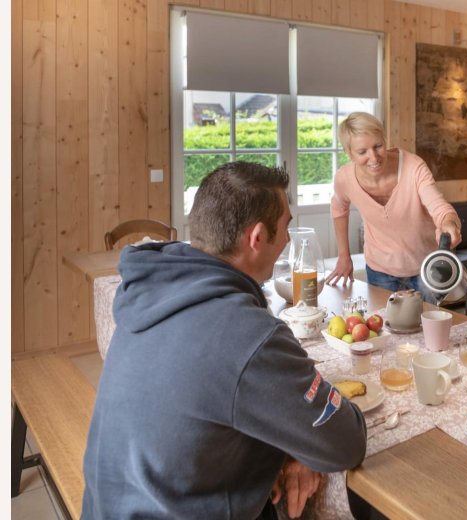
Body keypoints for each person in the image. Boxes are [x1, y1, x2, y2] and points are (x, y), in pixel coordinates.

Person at [82, 162, 367, 519]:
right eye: (286, 227)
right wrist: (301, 440)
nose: (288, 241)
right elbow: (345, 442)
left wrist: (290, 443)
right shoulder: (247, 334)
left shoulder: (151, 292)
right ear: (257, 238)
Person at [325, 112, 463, 295]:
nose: (374, 158)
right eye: (362, 152)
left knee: (429, 323)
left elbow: (439, 207)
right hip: (380, 271)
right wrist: (344, 256)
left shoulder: (413, 167)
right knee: (382, 323)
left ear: (384, 139)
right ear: (349, 152)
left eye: (378, 146)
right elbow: (339, 209)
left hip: (427, 270)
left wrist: (448, 223)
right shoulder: (344, 179)